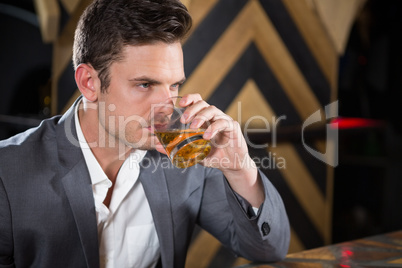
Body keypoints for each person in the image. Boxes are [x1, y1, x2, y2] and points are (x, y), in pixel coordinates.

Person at [0, 0, 290, 267]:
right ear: (89, 82)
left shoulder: (186, 158)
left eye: (174, 85)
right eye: (145, 85)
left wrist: (240, 169)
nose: (166, 107)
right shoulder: (8, 175)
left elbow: (268, 251)